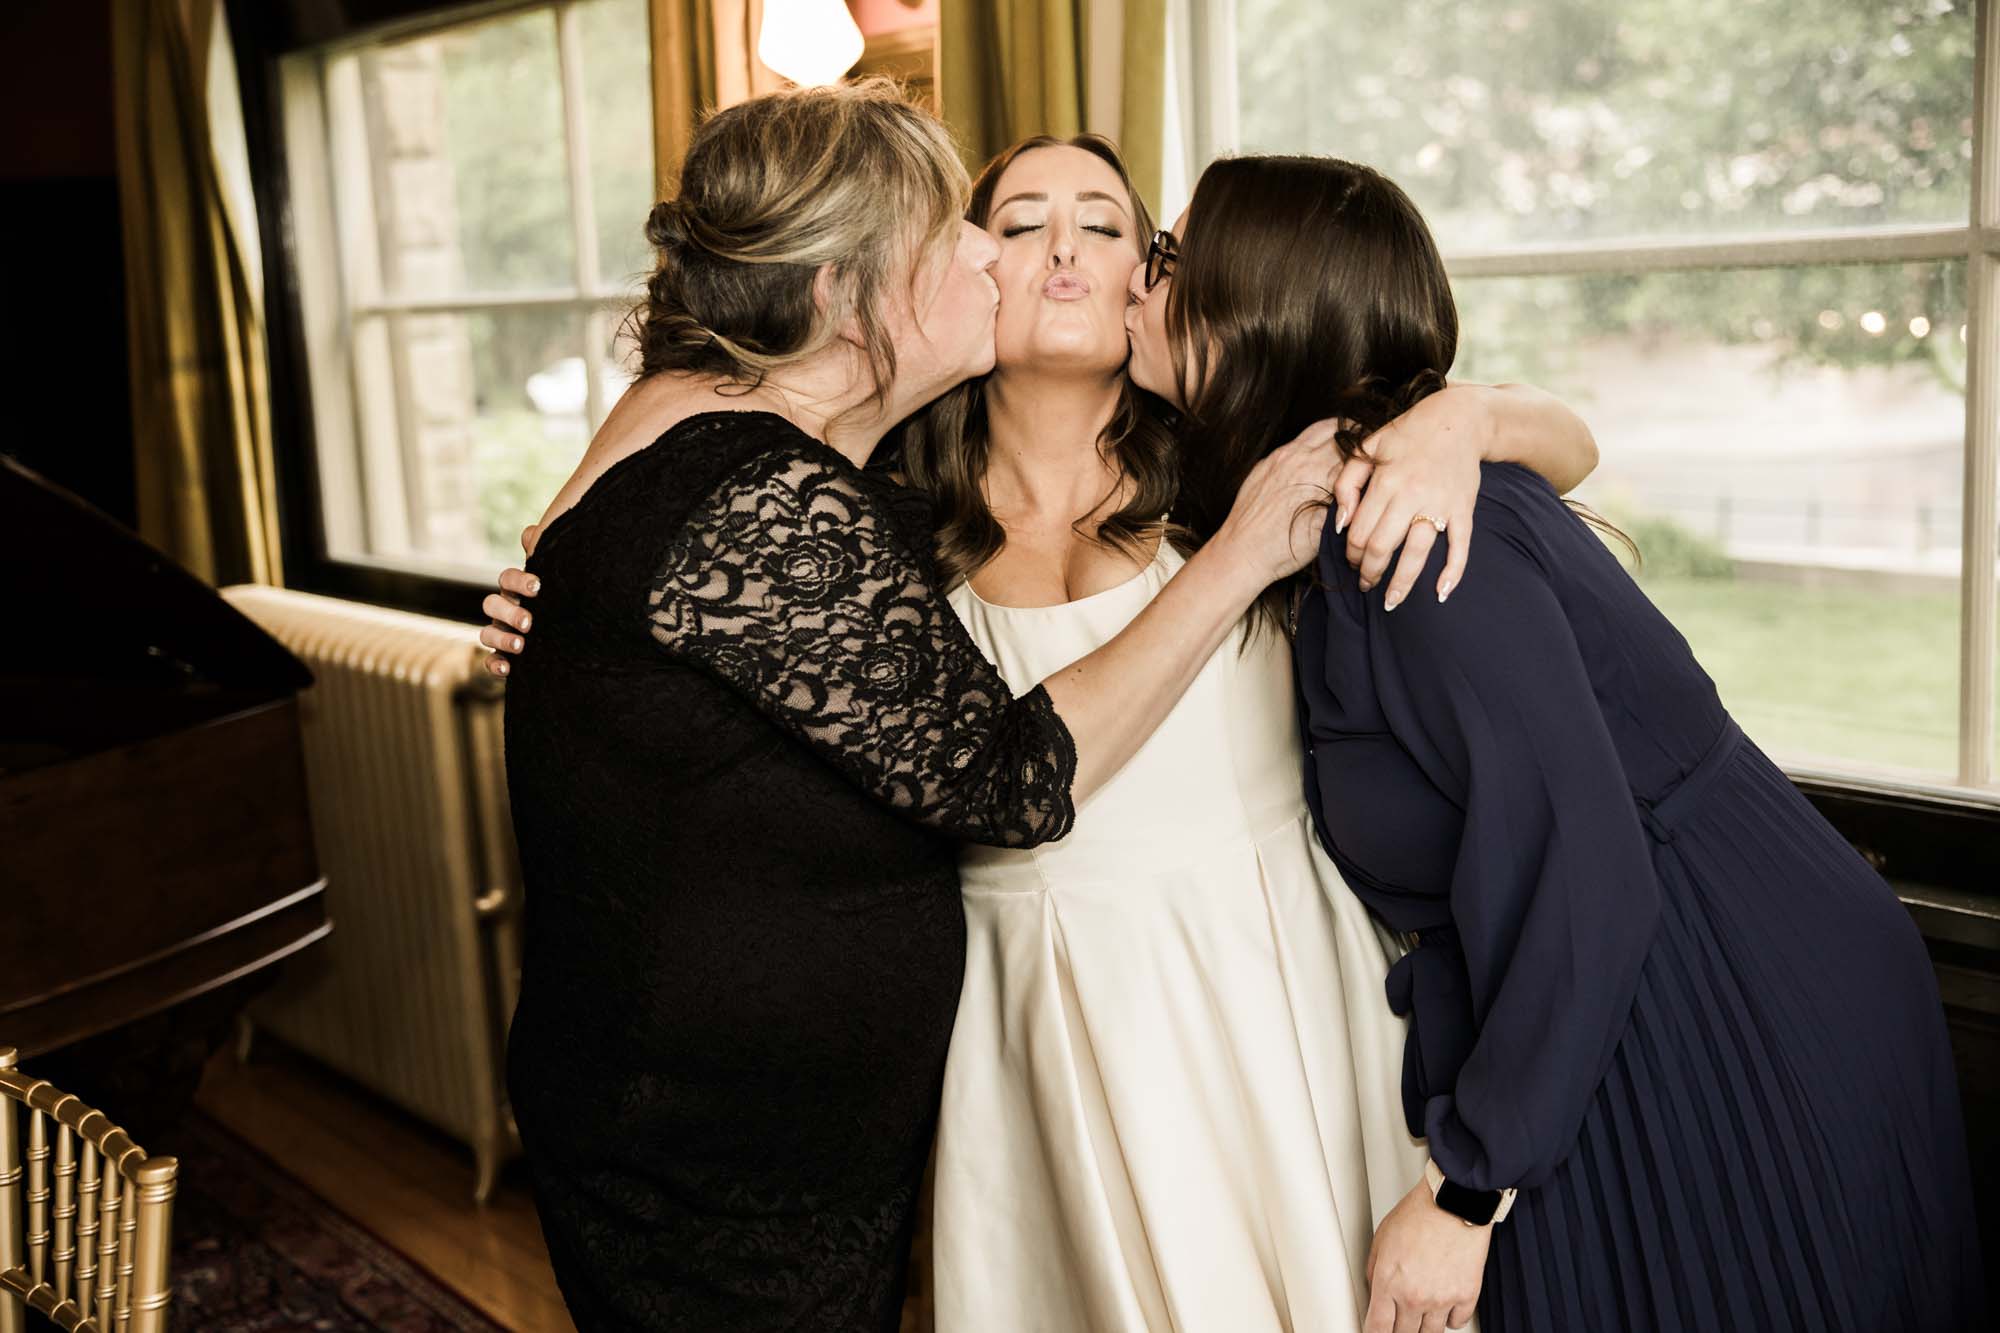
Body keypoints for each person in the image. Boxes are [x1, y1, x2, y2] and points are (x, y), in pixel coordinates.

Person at [490, 132, 1598, 1331]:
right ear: (950, 289)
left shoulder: (1239, 472)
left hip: (1251, 985)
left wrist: (1465, 417)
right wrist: (556, 591)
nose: (1058, 248)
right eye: (1011, 226)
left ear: (1150, 285)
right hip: (1009, 1018)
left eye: (1105, 225)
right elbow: (684, 443)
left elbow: (1563, 446)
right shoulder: (874, 517)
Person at [1126, 153, 1986, 1333]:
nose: (1138, 276)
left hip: (1702, 991)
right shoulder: (1373, 484)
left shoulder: (1401, 542)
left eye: (1168, 259)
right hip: (1655, 968)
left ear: (1255, 315)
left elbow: (1582, 868)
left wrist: (1463, 1191)